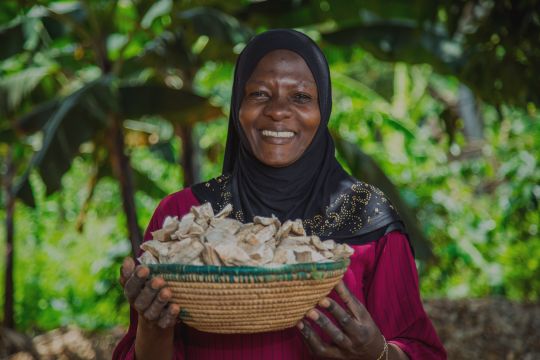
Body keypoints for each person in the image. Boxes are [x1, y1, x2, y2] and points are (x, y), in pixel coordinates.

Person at [113, 29, 446, 359]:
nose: (277, 110)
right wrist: (153, 328)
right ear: (237, 107)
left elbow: (421, 351)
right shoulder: (184, 216)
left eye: (300, 97)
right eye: (259, 94)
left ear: (323, 108)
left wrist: (379, 354)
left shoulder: (365, 216)